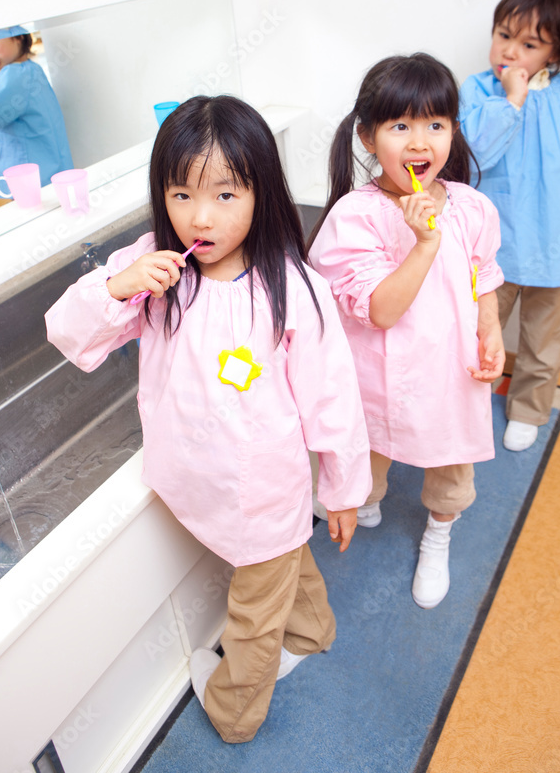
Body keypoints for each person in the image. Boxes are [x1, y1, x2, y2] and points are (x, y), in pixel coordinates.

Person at [45, 95, 371, 743]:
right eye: (181, 194)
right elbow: (67, 332)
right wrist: (117, 285)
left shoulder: (292, 287)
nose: (200, 217)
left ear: (261, 192)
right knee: (280, 561)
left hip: (265, 488)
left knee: (252, 613)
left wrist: (342, 488)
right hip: (196, 476)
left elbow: (332, 399)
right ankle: (312, 630)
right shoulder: (155, 266)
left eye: (225, 195)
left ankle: (233, 714)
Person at [309, 53, 505, 610]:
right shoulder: (356, 216)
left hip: (451, 372)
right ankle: (366, 499)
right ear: (368, 137)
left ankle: (438, 533)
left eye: (435, 125)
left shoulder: (471, 207)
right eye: (400, 126)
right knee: (367, 455)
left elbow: (483, 276)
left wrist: (491, 330)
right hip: (378, 379)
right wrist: (423, 243)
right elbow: (381, 311)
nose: (420, 142)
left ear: (453, 132)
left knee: (451, 466)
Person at [459, 0, 560, 453]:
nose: (510, 51)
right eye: (504, 35)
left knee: (542, 341)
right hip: (495, 250)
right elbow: (473, 154)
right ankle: (466, 407)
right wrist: (512, 99)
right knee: (476, 333)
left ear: (555, 52)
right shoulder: (478, 91)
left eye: (529, 45)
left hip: (553, 243)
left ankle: (528, 409)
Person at [0, 25, 73, 197]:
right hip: (45, 169)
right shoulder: (30, 69)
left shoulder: (15, 76)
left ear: (19, 37)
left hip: (29, 177)